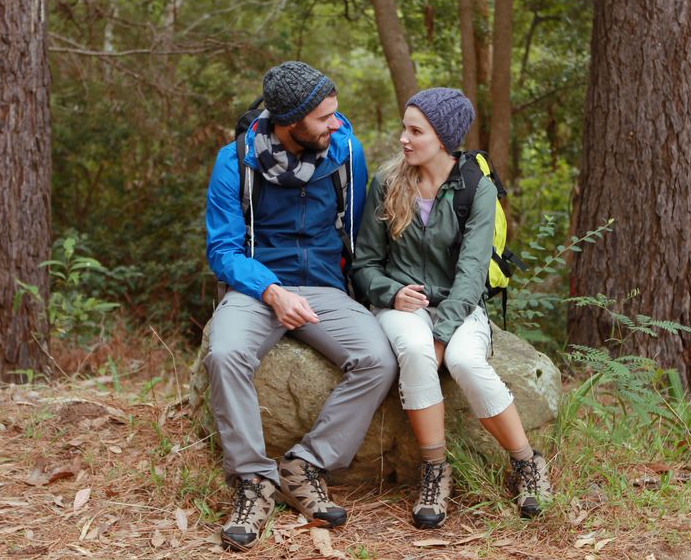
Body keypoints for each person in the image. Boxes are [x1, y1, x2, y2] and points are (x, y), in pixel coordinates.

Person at [204, 61, 398, 551]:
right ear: (290, 123)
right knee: (226, 354)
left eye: (336, 114)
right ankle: (253, 481)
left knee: (378, 359)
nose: (337, 124)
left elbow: (357, 235)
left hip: (324, 288)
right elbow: (223, 250)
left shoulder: (346, 153)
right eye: (325, 118)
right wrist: (270, 290)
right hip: (256, 287)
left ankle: (304, 465)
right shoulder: (236, 161)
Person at [352, 88, 553, 529]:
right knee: (416, 351)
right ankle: (434, 472)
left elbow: (472, 272)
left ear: (442, 137)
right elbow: (364, 263)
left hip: (460, 305)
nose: (404, 138)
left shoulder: (476, 189)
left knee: (463, 358)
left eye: (415, 130)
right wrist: (390, 292)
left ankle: (527, 464)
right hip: (402, 305)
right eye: (404, 128)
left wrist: (443, 331)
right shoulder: (386, 184)